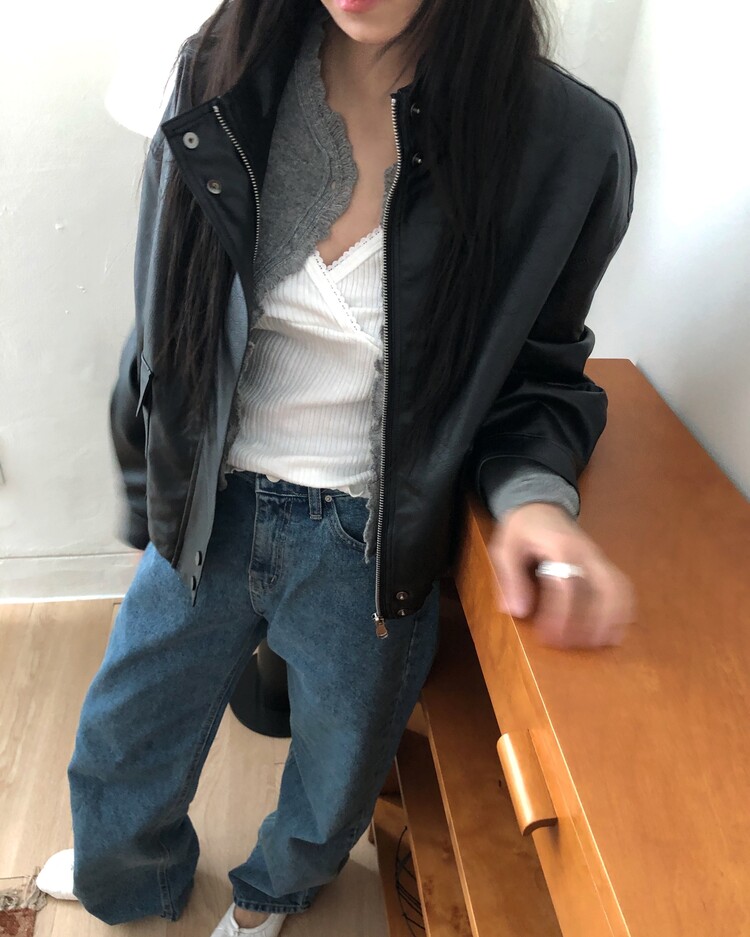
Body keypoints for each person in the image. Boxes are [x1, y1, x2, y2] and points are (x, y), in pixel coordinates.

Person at [60, 0, 638, 934]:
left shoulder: (563, 146)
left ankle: (272, 896)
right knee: (123, 732)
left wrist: (534, 500)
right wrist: (151, 499)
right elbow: (167, 316)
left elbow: (539, 376)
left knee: (339, 769)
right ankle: (132, 883)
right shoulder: (223, 70)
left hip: (368, 543)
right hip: (212, 506)